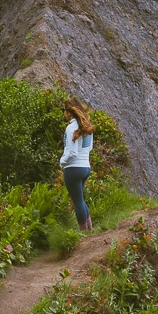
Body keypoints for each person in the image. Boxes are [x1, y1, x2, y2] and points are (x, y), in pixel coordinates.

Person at [60, 97, 94, 230]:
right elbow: (89, 148)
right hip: (85, 167)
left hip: (73, 169)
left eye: (64, 110)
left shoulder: (71, 128)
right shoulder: (87, 126)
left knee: (77, 202)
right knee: (80, 200)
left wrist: (62, 161)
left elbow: (72, 153)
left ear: (69, 112)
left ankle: (84, 234)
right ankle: (90, 231)